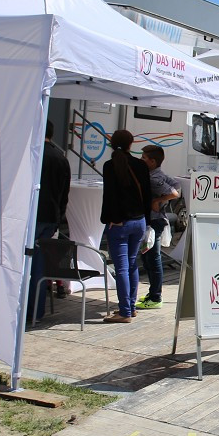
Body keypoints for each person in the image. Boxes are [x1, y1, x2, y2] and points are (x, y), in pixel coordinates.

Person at [100, 130, 151, 323]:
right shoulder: (140, 165)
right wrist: (146, 220)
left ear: (112, 143)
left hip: (120, 223)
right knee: (131, 264)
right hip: (139, 221)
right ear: (132, 143)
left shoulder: (109, 166)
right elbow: (147, 196)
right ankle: (130, 306)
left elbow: (110, 196)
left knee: (121, 267)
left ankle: (125, 311)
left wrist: (112, 218)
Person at [28, 121, 71, 322]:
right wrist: (58, 217)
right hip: (51, 217)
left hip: (33, 216)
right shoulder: (61, 158)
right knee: (39, 266)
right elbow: (65, 193)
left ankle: (25, 312)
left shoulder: (33, 154)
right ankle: (35, 312)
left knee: (26, 265)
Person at [136, 145, 181, 309]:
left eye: (144, 158)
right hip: (155, 221)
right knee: (147, 257)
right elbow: (177, 185)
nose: (141, 160)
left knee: (152, 259)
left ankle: (155, 297)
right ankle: (152, 293)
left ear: (153, 161)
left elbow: (175, 193)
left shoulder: (153, 179)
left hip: (155, 221)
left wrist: (156, 201)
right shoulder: (157, 174)